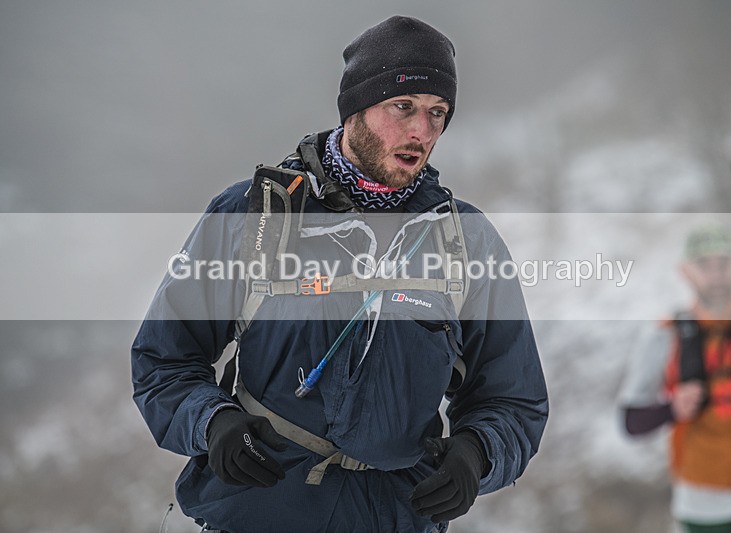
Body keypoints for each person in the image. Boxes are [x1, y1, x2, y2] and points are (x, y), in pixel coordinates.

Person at [132, 16, 548, 533]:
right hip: (258, 514)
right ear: (356, 108)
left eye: (438, 113)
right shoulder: (254, 217)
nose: (422, 130)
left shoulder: (465, 239)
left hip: (396, 518)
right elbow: (162, 362)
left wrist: (475, 454)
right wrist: (214, 424)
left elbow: (513, 397)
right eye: (404, 107)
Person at [619, 222, 731, 533]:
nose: (716, 274)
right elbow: (631, 421)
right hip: (701, 503)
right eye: (705, 264)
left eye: (725, 263)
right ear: (685, 271)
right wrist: (671, 409)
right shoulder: (663, 336)